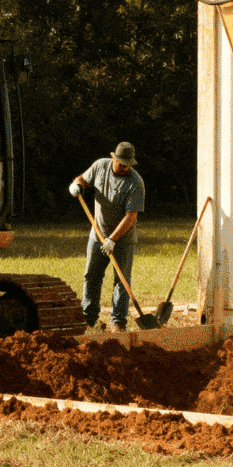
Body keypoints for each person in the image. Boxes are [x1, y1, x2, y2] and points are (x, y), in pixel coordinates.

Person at [69, 142, 145, 331]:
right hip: (98, 235)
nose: (124, 168)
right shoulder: (99, 166)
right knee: (91, 276)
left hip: (124, 240)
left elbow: (131, 217)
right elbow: (82, 179)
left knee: (122, 281)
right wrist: (76, 185)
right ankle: (89, 318)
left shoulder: (135, 183)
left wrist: (113, 239)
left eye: (128, 165)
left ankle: (118, 323)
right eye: (121, 163)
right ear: (114, 158)